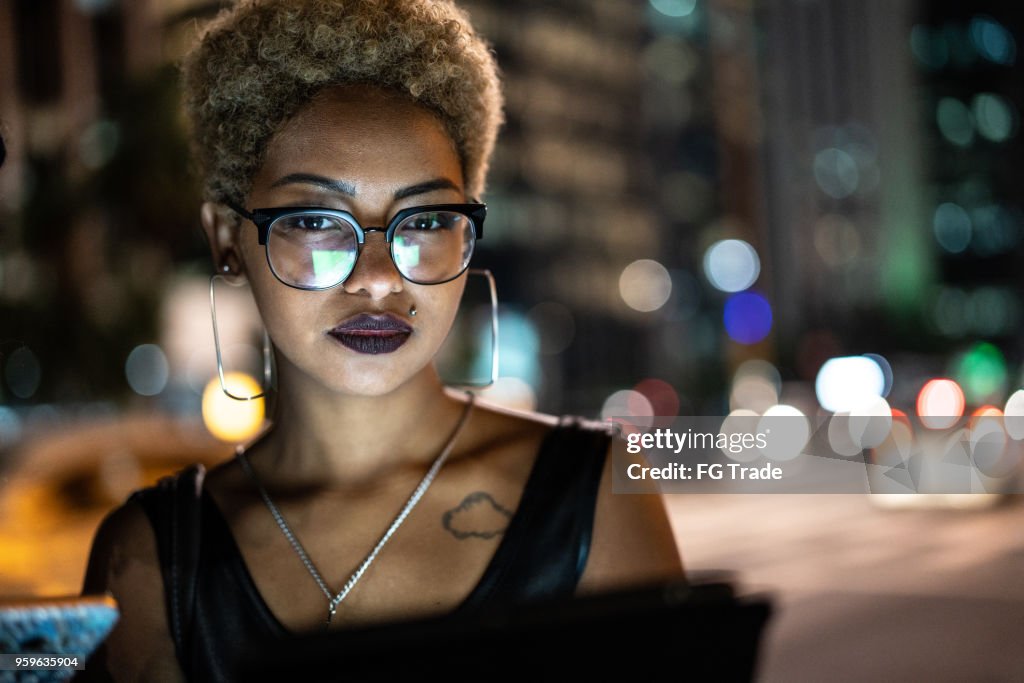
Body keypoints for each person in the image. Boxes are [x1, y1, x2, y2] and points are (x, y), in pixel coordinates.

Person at [80, 1, 684, 680]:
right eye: (317, 220)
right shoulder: (151, 559)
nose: (377, 278)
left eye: (424, 220)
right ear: (228, 242)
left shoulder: (596, 494)